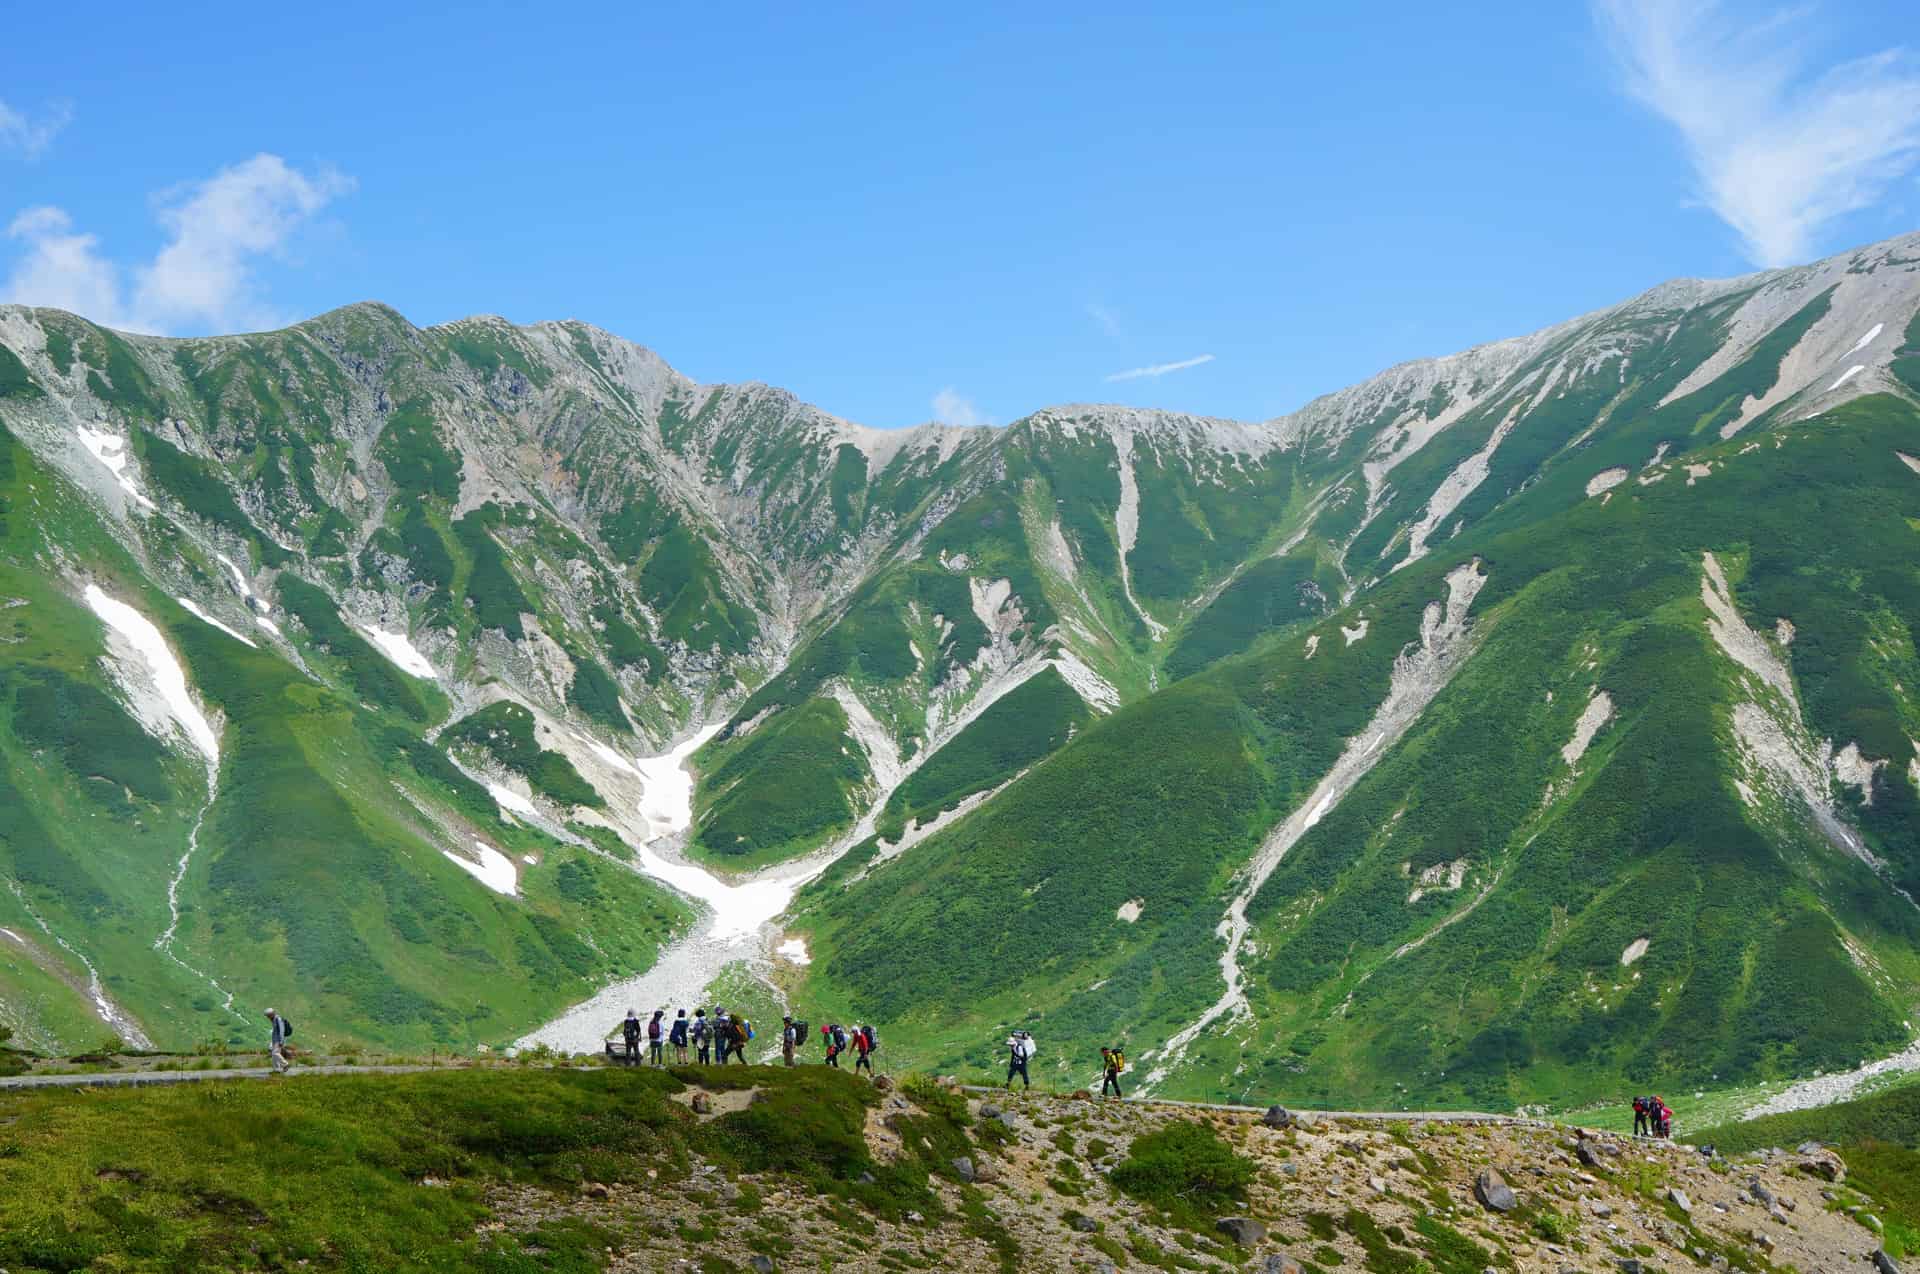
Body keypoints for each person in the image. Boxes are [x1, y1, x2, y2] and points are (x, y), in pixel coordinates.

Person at [265, 1008, 291, 1074]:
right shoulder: (273, 1020)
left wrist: (281, 1041)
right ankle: (276, 1070)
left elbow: (282, 1031)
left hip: (278, 1040)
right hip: (275, 1040)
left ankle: (285, 1064)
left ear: (272, 1014)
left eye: (268, 1015)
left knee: (275, 1053)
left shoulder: (278, 1019)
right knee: (274, 1056)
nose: (267, 1017)